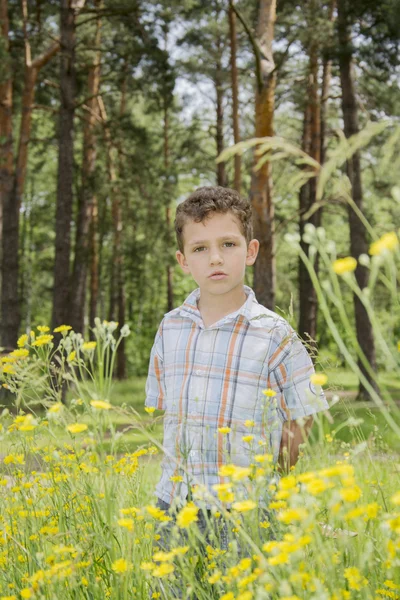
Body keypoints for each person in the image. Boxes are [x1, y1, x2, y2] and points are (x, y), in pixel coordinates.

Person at [145, 185, 328, 533]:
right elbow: (168, 413)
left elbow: (301, 418)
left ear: (250, 251)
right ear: (183, 260)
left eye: (228, 244)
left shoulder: (274, 333)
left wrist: (271, 481)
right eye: (200, 248)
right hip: (175, 503)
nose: (215, 258)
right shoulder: (170, 328)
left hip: (248, 507)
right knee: (172, 588)